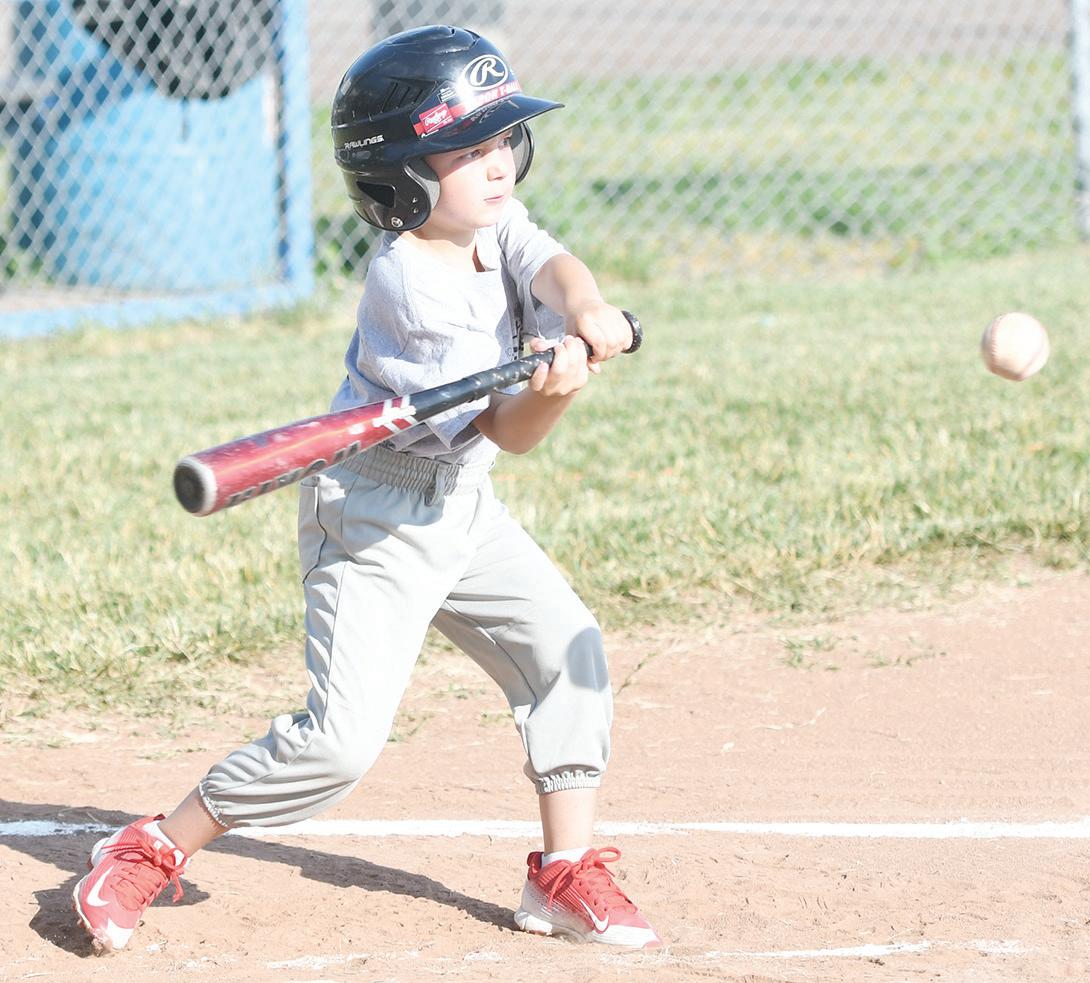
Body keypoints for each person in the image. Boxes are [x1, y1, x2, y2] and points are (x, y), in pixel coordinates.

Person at [72, 25, 658, 953]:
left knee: (568, 651)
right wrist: (556, 390)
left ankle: (562, 869)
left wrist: (583, 309)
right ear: (402, 177)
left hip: (462, 502)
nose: (496, 163)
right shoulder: (409, 288)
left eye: (502, 139)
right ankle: (153, 843)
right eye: (464, 150)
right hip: (377, 519)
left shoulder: (490, 219)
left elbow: (548, 261)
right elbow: (511, 431)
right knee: (336, 745)